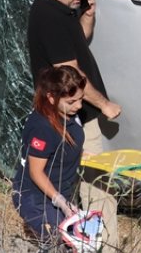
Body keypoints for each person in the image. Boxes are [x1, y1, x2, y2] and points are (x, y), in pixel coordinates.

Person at [25, 0, 120, 253]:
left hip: (69, 113)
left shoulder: (60, 11)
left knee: (85, 184)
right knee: (98, 189)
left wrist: (87, 14)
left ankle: (84, 244)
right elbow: (72, 74)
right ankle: (106, 252)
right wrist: (104, 105)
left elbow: (78, 40)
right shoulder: (49, 17)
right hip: (70, 116)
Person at [12, 66, 87, 239]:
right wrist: (60, 201)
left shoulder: (67, 115)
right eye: (71, 102)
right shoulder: (42, 127)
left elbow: (62, 149)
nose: (79, 106)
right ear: (51, 98)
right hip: (38, 198)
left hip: (60, 193)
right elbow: (36, 172)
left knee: (78, 245)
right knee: (60, 247)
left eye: (81, 99)